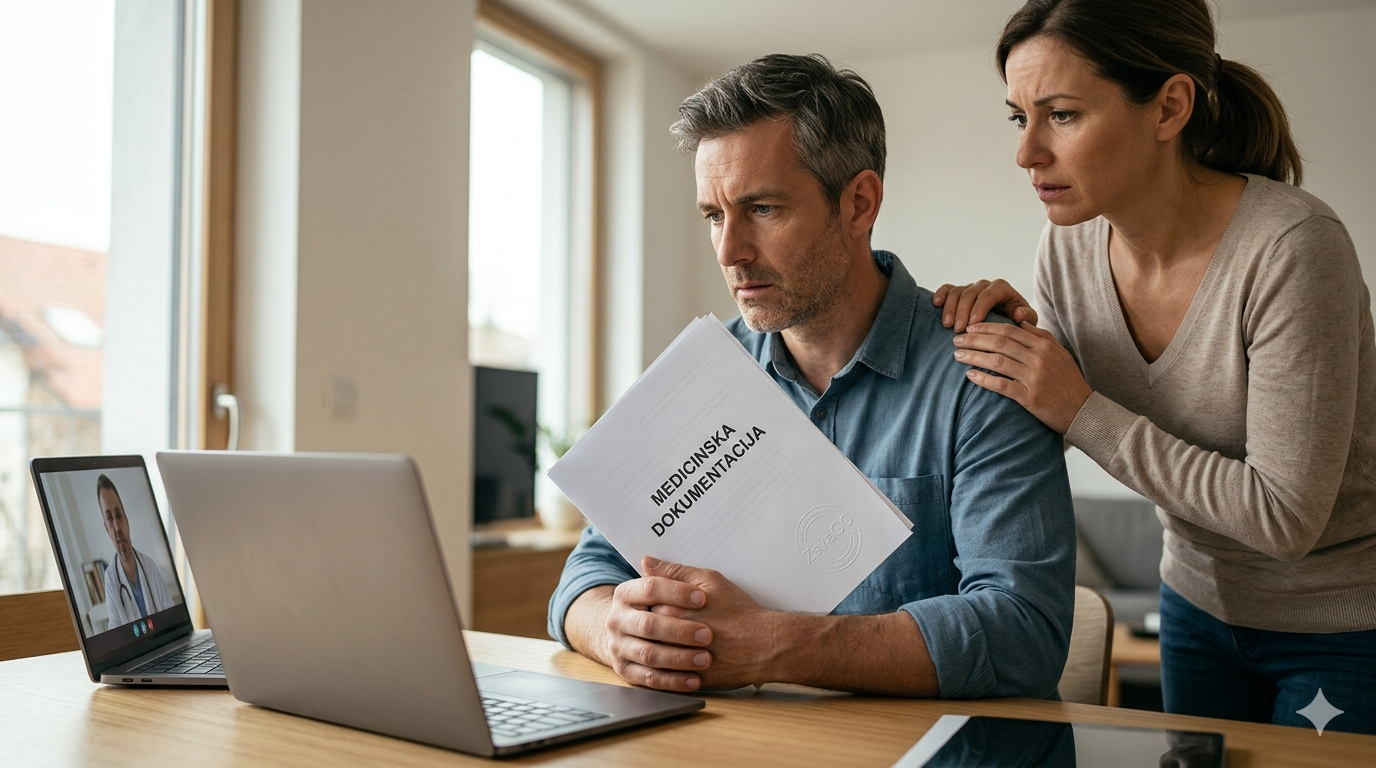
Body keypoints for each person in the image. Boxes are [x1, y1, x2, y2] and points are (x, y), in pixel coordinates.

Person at [548, 54, 1077, 699]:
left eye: (762, 209)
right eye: (714, 215)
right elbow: (588, 573)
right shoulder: (703, 375)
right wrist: (613, 631)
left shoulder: (985, 371)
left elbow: (1024, 635)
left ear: (859, 203)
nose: (728, 252)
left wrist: (772, 645)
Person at [935, 0, 1376, 734]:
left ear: (1169, 106)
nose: (1027, 153)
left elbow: (1284, 517)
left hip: (1341, 630)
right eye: (1020, 118)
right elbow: (1077, 404)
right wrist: (1007, 337)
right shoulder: (1067, 253)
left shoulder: (1293, 247)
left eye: (1063, 115)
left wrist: (1076, 406)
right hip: (1194, 610)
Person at [98, 474, 176, 628]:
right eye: (110, 518)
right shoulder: (110, 578)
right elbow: (116, 630)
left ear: (126, 521)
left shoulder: (150, 565)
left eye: (119, 516)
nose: (117, 528)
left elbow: (171, 613)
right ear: (107, 529)